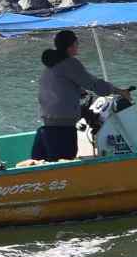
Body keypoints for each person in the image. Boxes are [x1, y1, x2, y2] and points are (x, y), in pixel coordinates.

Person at [32, 29, 123, 161]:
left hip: (47, 126)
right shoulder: (70, 63)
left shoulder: (51, 65)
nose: (78, 46)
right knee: (65, 164)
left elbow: (60, 85)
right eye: (77, 43)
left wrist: (79, 91)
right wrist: (119, 91)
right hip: (62, 130)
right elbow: (96, 85)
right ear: (71, 46)